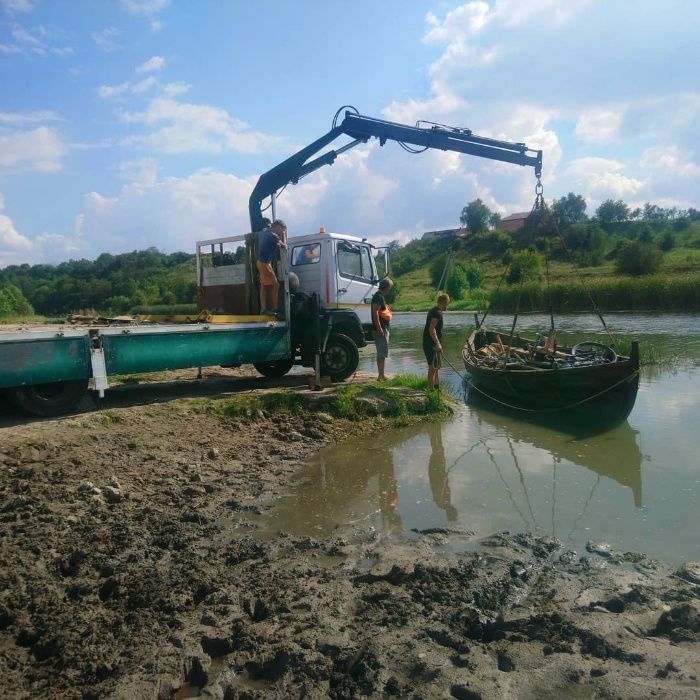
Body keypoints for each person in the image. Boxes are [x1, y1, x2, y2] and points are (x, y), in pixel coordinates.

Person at [256, 218, 287, 314]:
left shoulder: (264, 231)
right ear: (277, 227)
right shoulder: (273, 236)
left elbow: (267, 227)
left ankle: (263, 309)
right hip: (265, 264)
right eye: (281, 230)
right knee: (276, 285)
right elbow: (285, 247)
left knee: (264, 286)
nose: (281, 232)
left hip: (260, 262)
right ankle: (275, 307)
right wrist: (284, 235)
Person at [423, 291, 450, 390]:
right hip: (431, 344)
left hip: (430, 342)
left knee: (436, 366)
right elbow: (431, 328)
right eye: (448, 303)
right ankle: (431, 391)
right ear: (444, 302)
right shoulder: (437, 313)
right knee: (433, 367)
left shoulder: (433, 310)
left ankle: (436, 387)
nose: (448, 305)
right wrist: (437, 343)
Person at [371, 278, 393, 381]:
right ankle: (380, 376)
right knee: (381, 352)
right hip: (380, 330)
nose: (390, 290)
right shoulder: (378, 297)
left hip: (382, 328)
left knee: (382, 353)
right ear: (387, 287)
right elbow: (375, 312)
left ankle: (381, 375)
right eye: (390, 288)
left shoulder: (379, 296)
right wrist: (379, 328)